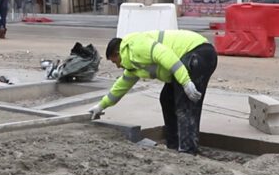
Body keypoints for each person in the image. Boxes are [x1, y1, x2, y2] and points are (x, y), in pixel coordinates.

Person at [89, 30, 218, 155]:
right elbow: (119, 88)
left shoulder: (137, 47)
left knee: (184, 102)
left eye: (115, 61)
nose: (117, 66)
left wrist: (185, 82)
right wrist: (101, 106)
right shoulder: (133, 66)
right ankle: (174, 145)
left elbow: (166, 56)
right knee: (167, 99)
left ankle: (188, 150)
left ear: (118, 53)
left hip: (198, 51)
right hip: (187, 57)